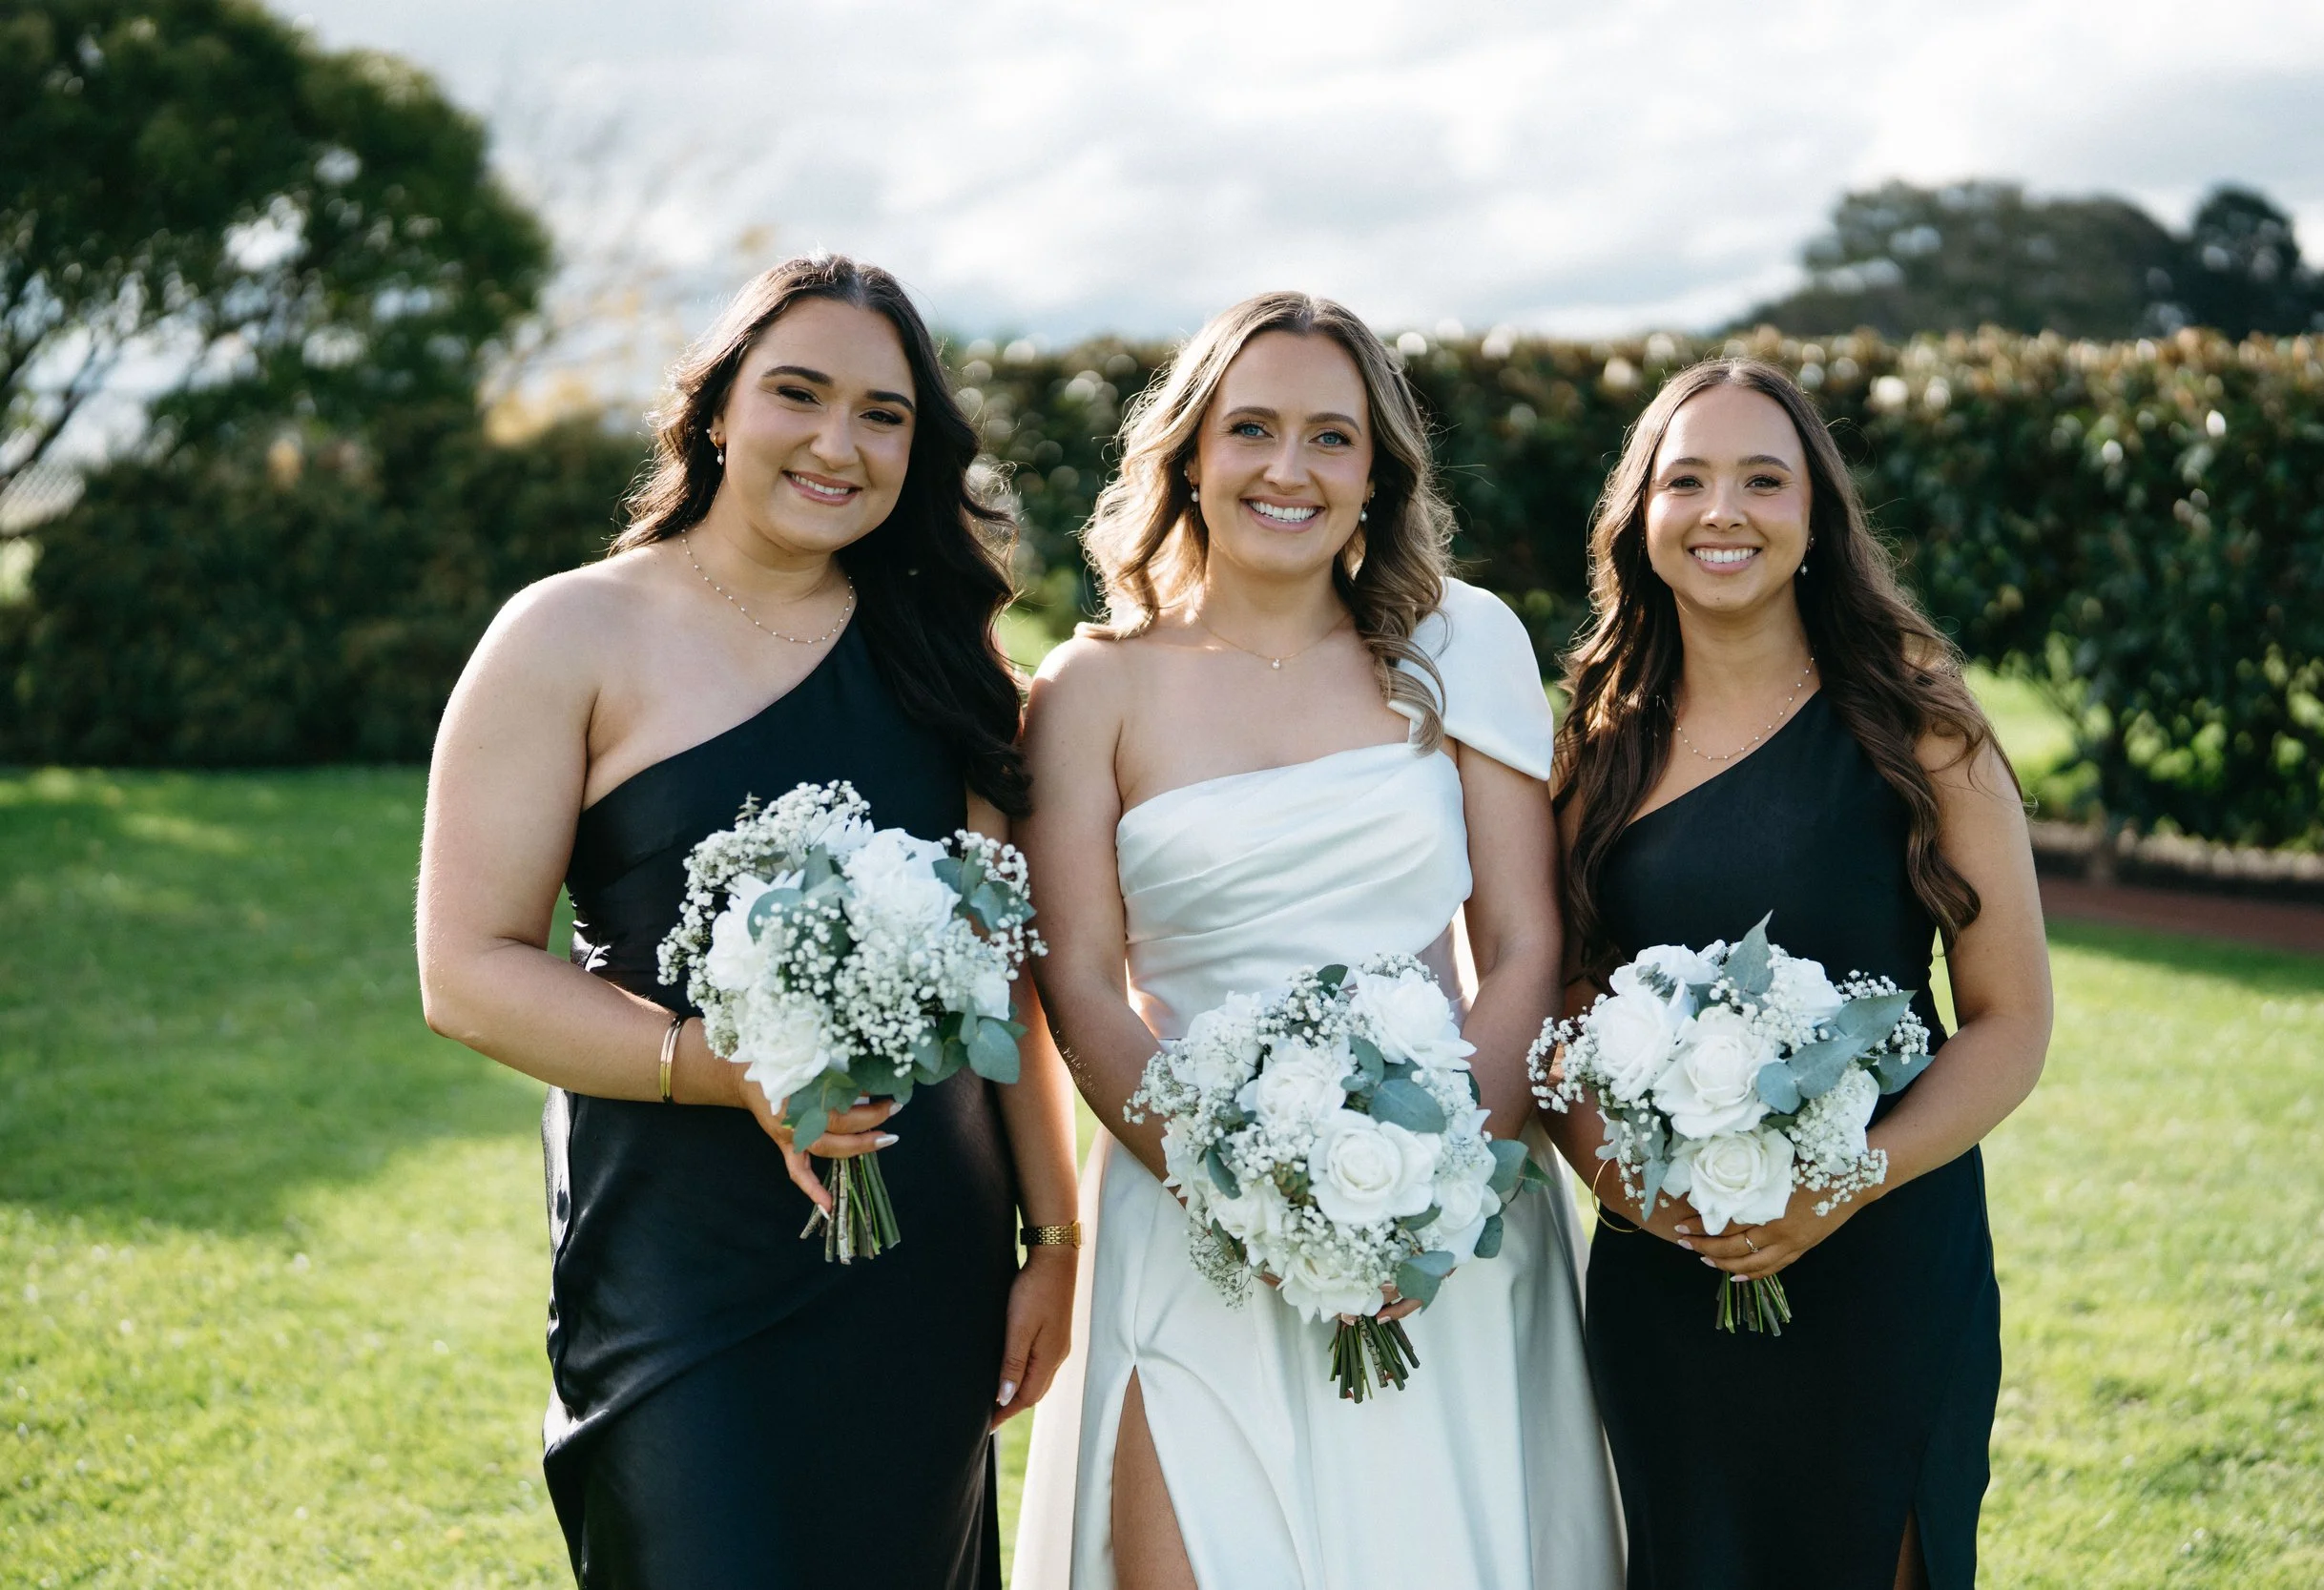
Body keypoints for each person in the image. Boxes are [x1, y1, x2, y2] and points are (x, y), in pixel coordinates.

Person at [415, 254, 1079, 1589]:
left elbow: (1006, 973)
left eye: (883, 414)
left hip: (920, 1256)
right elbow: (469, 969)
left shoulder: (945, 657)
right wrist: (721, 1069)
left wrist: (1056, 1242)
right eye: (798, 393)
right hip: (677, 1259)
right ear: (718, 409)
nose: (839, 442)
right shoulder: (570, 635)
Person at [1011, 291, 1623, 1590]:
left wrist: (1430, 1190)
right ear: (1188, 455)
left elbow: (1521, 944)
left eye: (1331, 438)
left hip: (1439, 1221)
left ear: (1377, 475)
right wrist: (1240, 1192)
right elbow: (1078, 976)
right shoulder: (1093, 687)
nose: (1289, 469)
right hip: (1188, 1219)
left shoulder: (1462, 646)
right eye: (1252, 429)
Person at [1545, 358, 2052, 1590]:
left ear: (1815, 517)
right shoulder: (1591, 743)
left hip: (1888, 1254)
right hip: (1669, 1266)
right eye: (1689, 480)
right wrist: (1633, 1179)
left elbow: (2010, 1017)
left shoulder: (1919, 724)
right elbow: (1556, 1003)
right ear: (1641, 518)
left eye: (1763, 480)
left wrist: (1850, 1178)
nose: (1726, 510)